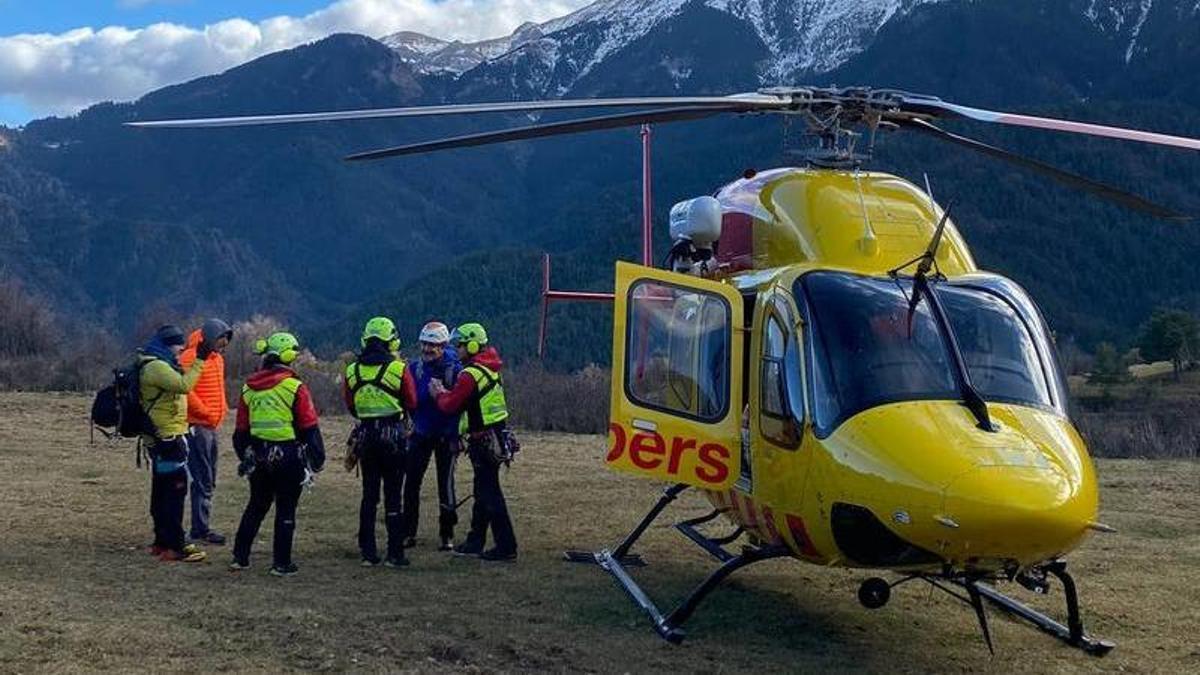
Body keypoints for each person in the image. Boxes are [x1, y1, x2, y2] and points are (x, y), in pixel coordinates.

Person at [230, 332, 326, 576]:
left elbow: (240, 430)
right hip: (288, 455)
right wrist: (317, 458)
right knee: (286, 508)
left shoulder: (248, 388)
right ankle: (281, 563)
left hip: (259, 456)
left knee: (256, 505)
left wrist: (246, 457)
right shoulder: (295, 387)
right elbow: (308, 425)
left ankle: (239, 557)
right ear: (289, 357)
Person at [431, 322, 517, 562]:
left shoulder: (470, 374)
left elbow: (451, 405)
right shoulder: (491, 368)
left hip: (484, 441)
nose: (456, 350)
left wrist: (438, 392)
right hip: (497, 437)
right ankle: (475, 540)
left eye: (459, 345)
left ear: (470, 345)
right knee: (483, 491)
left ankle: (506, 546)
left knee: (490, 494)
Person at [343, 317, 417, 568]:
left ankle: (367, 551)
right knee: (393, 495)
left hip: (366, 437)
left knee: (369, 495)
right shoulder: (398, 369)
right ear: (391, 340)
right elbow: (411, 401)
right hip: (393, 436)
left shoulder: (352, 370)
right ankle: (395, 553)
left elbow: (351, 405)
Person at [140, 324, 209, 563]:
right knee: (175, 492)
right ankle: (175, 546)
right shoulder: (157, 367)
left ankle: (161, 541)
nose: (179, 355)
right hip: (169, 439)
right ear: (168, 346)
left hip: (160, 438)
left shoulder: (149, 363)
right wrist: (200, 360)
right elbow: (184, 385)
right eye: (178, 350)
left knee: (161, 491)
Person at [401, 321, 462, 551]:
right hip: (420, 433)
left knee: (445, 485)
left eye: (433, 345)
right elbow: (406, 398)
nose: (427, 349)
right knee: (412, 483)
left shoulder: (454, 370)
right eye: (424, 344)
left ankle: (447, 535)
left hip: (446, 436)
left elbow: (459, 404)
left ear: (444, 345)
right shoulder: (414, 368)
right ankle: (408, 533)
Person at [180, 318, 233, 545]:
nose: (224, 346)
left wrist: (222, 410)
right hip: (198, 426)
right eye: (221, 340)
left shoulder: (218, 360)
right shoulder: (189, 358)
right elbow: (185, 390)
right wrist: (205, 412)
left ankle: (202, 526)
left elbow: (218, 388)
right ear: (211, 337)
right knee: (202, 477)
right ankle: (200, 529)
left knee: (209, 477)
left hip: (212, 425)